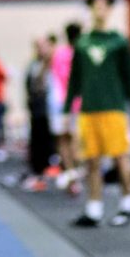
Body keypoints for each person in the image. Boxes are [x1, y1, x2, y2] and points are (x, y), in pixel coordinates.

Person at [64, 0, 130, 227]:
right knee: (91, 161)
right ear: (90, 10)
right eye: (95, 6)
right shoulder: (83, 43)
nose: (99, 10)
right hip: (89, 110)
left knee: (121, 157)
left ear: (109, 10)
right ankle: (94, 209)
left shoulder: (118, 42)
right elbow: (74, 80)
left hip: (114, 109)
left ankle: (128, 203)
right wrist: (68, 110)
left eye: (104, 6)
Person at [48, 22, 82, 192]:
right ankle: (71, 171)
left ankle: (72, 170)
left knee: (67, 139)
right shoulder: (67, 54)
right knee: (68, 138)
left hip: (67, 104)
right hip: (69, 104)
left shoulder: (63, 54)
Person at [22, 38, 53, 190]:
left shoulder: (52, 64)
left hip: (48, 109)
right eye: (38, 47)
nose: (40, 50)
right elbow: (29, 84)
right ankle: (37, 170)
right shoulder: (33, 65)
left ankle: (47, 170)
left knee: (47, 141)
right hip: (36, 108)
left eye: (43, 47)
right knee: (36, 140)